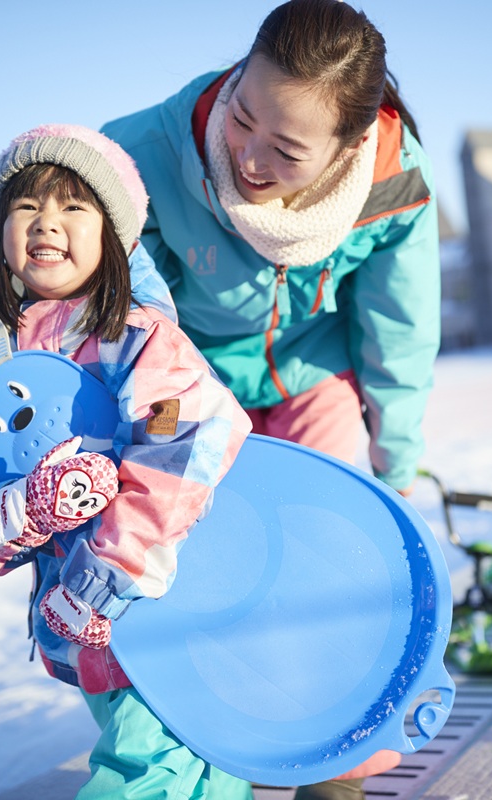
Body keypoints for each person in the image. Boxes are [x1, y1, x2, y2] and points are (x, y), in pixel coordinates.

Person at [102, 1, 440, 795]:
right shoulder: (142, 158)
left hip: (312, 375)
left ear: (350, 146)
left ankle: (335, 764)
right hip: (187, 381)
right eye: (243, 117)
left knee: (328, 560)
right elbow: (137, 328)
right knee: (194, 549)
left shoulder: (395, 177)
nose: (249, 155)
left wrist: (397, 466)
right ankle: (213, 746)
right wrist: (160, 444)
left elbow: (398, 330)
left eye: (286, 148)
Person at [0, 124, 254, 799]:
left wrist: (101, 580)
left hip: (154, 608)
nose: (46, 222)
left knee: (144, 770)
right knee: (198, 766)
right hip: (87, 629)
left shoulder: (135, 338)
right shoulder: (0, 374)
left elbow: (185, 438)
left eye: (74, 206)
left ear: (115, 236)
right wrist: (21, 509)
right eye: (26, 206)